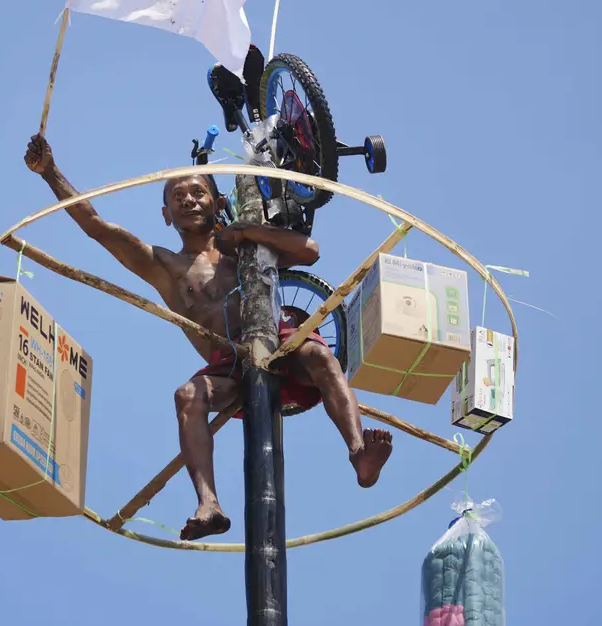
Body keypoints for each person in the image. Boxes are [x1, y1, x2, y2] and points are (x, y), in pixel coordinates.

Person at [24, 134, 393, 541]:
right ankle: (209, 504)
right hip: (230, 368)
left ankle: (359, 452)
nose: (188, 200)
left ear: (217, 203)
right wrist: (50, 173)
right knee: (187, 396)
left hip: (282, 341)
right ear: (166, 214)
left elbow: (310, 250)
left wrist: (250, 232)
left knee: (322, 357)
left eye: (198, 192)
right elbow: (97, 227)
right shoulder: (164, 266)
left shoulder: (245, 249)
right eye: (178, 196)